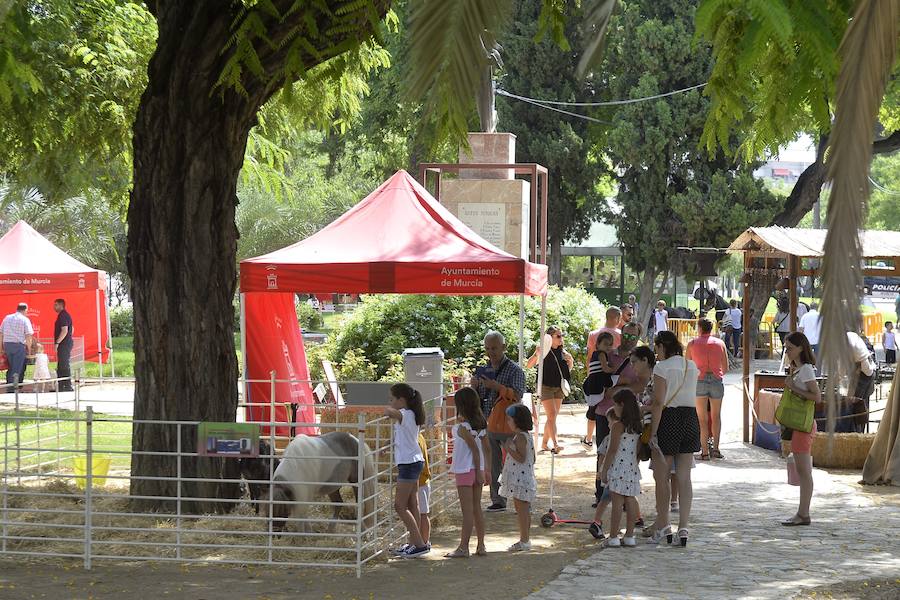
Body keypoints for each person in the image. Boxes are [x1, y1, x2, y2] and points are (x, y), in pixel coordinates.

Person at [647, 331, 700, 547]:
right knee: (684, 477)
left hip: (669, 418)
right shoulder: (691, 365)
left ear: (661, 347)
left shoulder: (662, 367)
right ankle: (684, 526)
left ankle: (664, 525)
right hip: (690, 418)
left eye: (657, 348)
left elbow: (659, 402)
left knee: (662, 476)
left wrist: (653, 432)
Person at [591, 321, 641, 507]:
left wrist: (619, 386)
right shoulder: (608, 354)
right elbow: (596, 376)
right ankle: (601, 493)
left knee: (627, 453)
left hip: (627, 414)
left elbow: (640, 384)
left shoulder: (639, 358)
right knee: (603, 452)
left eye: (632, 336)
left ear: (637, 337)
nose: (628, 339)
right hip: (604, 411)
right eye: (626, 335)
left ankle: (625, 496)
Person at [474, 331, 525, 512]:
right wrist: (474, 386)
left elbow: (518, 395)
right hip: (490, 423)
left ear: (504, 347)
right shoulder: (484, 370)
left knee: (518, 462)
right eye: (487, 348)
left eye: (494, 348)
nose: (490, 352)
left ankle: (523, 497)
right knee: (494, 464)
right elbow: (479, 398)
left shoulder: (515, 370)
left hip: (510, 425)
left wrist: (497, 387)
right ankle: (498, 500)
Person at [383, 383, 429, 558]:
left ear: (401, 400)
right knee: (411, 505)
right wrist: (388, 445)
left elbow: (390, 412)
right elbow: (401, 436)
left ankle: (418, 543)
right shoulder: (409, 415)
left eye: (392, 399)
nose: (390, 402)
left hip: (409, 464)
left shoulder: (405, 414)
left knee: (399, 506)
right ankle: (414, 543)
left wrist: (388, 411)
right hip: (412, 462)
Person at [780, 332, 820, 526]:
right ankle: (802, 512)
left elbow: (816, 396)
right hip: (798, 424)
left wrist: (793, 388)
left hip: (804, 424)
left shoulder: (805, 369)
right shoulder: (797, 368)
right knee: (802, 471)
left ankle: (803, 513)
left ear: (801, 348)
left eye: (790, 348)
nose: (787, 351)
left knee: (804, 471)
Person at [446, 387, 490, 558]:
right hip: (476, 469)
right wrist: (485, 470)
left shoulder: (461, 428)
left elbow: (475, 450)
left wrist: (480, 472)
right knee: (476, 508)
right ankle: (481, 545)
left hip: (465, 470)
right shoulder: (481, 426)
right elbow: (487, 449)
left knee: (467, 511)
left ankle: (464, 547)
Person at [600, 389, 643, 547]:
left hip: (618, 467)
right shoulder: (638, 425)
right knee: (630, 500)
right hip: (632, 468)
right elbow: (638, 450)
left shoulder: (618, 426)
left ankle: (613, 536)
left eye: (616, 405)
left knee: (617, 503)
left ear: (622, 405)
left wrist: (604, 470)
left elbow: (612, 450)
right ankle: (630, 535)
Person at [686, 318, 730, 460]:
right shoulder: (720, 343)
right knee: (716, 416)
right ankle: (716, 449)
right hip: (716, 379)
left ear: (699, 328)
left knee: (702, 419)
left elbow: (687, 366)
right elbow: (726, 368)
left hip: (699, 380)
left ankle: (704, 452)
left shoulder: (692, 344)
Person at [526, 325, 573, 453]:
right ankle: (556, 444)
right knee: (552, 415)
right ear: (549, 338)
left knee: (553, 416)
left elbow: (567, 369)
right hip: (546, 386)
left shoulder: (563, 352)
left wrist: (570, 361)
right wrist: (537, 355)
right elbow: (529, 365)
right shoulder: (544, 350)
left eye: (561, 335)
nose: (561, 338)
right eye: (558, 336)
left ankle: (544, 443)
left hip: (558, 386)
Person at [499, 404, 537, 552]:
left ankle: (524, 540)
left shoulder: (521, 437)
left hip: (520, 479)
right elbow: (532, 458)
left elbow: (522, 458)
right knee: (524, 510)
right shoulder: (526, 436)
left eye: (510, 419)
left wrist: (508, 448)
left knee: (522, 511)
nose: (508, 422)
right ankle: (525, 539)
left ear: (517, 420)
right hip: (523, 477)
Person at [584, 306, 622, 447]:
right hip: (611, 377)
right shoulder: (620, 334)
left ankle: (588, 437)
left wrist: (591, 374)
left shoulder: (593, 334)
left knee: (594, 408)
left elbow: (589, 358)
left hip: (595, 375)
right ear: (617, 318)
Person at [589, 407, 619, 540]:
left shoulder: (610, 437)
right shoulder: (610, 438)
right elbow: (602, 455)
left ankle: (596, 521)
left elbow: (601, 456)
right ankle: (636, 518)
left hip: (611, 474)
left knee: (605, 499)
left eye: (609, 422)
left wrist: (601, 471)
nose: (608, 425)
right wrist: (601, 471)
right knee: (626, 499)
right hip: (614, 475)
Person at [0, 302, 34, 389]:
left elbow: (1, 333)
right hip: (18, 345)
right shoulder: (25, 319)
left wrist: (1, 347)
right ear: (25, 310)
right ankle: (12, 389)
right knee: (16, 368)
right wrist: (29, 349)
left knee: (10, 366)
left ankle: (9, 385)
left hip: (7, 345)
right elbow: (28, 335)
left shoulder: (7, 318)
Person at [53, 298, 74, 392]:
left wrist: (57, 342)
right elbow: (72, 328)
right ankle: (61, 385)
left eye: (56, 305)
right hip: (65, 343)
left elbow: (65, 330)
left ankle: (68, 386)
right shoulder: (63, 315)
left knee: (64, 364)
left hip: (64, 344)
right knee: (61, 364)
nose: (54, 307)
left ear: (61, 305)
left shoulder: (63, 316)